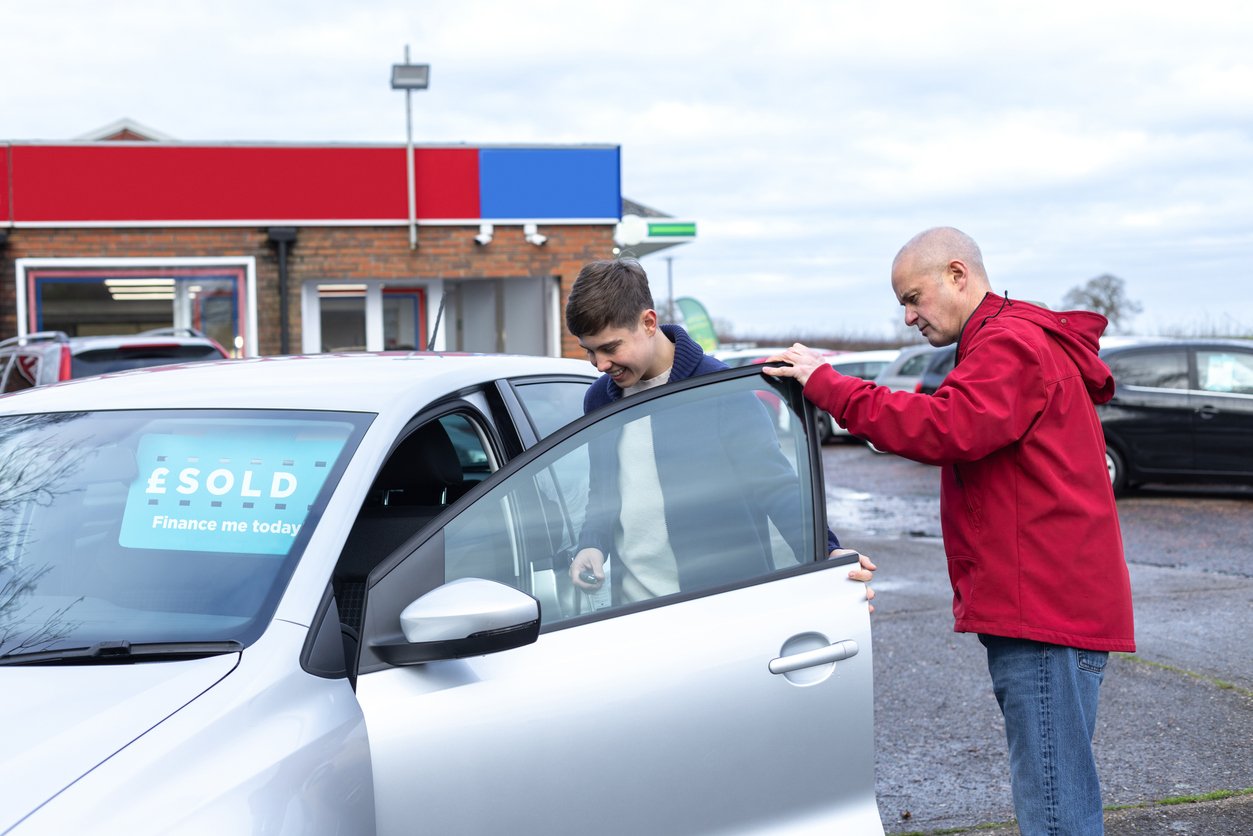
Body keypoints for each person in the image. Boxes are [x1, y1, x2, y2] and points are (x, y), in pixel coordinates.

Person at [764, 227, 1134, 836]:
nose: (908, 316)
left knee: (1055, 809)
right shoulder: (1015, 337)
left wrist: (828, 384)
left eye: (913, 298)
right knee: (1059, 786)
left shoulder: (1008, 345)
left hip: (1042, 611)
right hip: (1059, 603)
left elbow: (945, 426)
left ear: (958, 275)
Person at [563, 257, 875, 607]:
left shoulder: (721, 392)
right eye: (589, 351)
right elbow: (603, 493)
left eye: (610, 347)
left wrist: (827, 550)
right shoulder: (599, 399)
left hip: (722, 610)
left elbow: (776, 487)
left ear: (649, 322)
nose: (600, 365)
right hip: (634, 612)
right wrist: (591, 543)